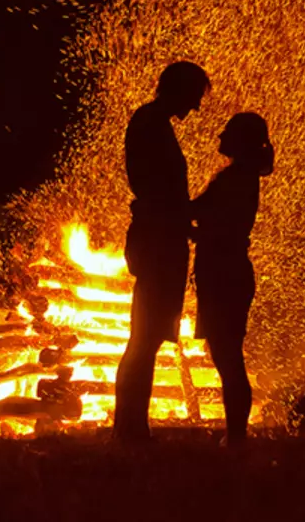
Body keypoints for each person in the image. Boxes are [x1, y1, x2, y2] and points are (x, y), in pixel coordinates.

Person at [114, 61, 210, 442]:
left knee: (148, 336)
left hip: (162, 235)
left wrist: (186, 220)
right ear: (178, 89)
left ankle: (133, 426)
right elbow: (158, 190)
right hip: (158, 239)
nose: (197, 106)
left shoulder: (154, 122)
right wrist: (188, 217)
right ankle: (130, 428)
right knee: (145, 337)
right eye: (194, 96)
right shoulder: (151, 123)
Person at [192, 112, 274, 445]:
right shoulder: (239, 176)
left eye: (226, 131)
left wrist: (167, 214)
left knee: (228, 357)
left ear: (240, 140)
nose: (219, 136)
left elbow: (208, 222)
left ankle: (237, 436)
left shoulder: (233, 179)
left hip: (224, 274)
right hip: (228, 272)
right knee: (226, 354)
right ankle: (235, 434)